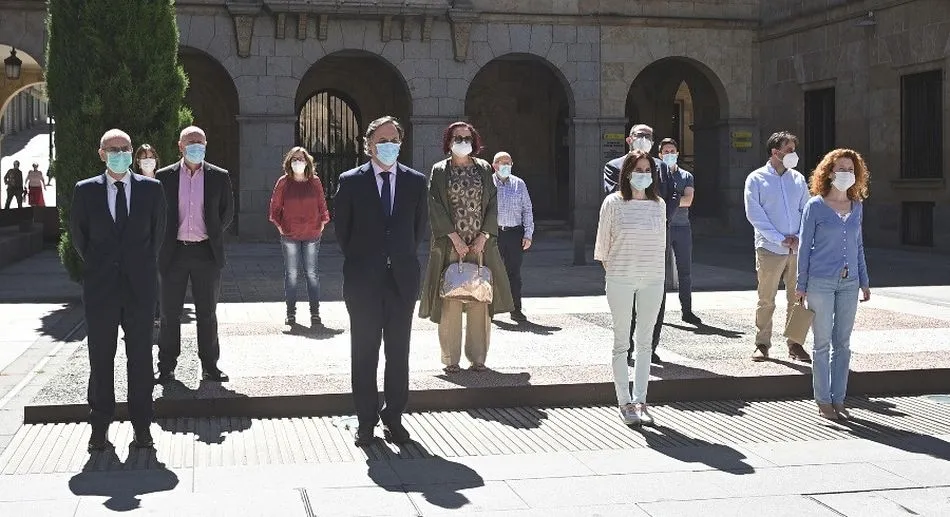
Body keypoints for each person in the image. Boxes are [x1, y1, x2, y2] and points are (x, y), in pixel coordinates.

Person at [69, 129, 166, 451]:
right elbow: (80, 238)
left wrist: (138, 265)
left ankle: (142, 426)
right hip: (101, 290)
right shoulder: (85, 191)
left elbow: (157, 236)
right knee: (101, 358)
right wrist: (101, 265)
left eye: (125, 148)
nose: (119, 154)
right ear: (101, 154)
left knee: (140, 358)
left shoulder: (151, 189)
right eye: (113, 149)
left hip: (140, 288)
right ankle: (100, 427)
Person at [334, 116, 428, 446]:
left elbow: (418, 229)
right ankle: (365, 420)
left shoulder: (415, 181)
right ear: (369, 144)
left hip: (401, 279)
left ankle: (394, 416)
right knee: (364, 353)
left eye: (394, 140)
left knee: (398, 353)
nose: (388, 146)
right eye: (382, 140)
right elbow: (342, 231)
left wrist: (396, 256)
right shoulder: (350, 181)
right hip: (363, 281)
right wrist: (367, 258)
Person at [419, 121, 514, 374]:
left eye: (467, 138)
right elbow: (435, 205)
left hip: (480, 246)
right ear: (449, 142)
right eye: (458, 138)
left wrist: (484, 236)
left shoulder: (482, 168)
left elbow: (492, 203)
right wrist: (455, 239)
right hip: (451, 245)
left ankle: (478, 357)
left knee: (479, 298)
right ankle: (451, 359)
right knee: (450, 298)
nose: (463, 142)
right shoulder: (440, 170)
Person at [796, 149, 871, 420]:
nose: (846, 174)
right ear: (829, 173)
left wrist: (864, 280)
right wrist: (801, 284)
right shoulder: (815, 206)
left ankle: (839, 398)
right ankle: (823, 399)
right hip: (820, 281)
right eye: (841, 169)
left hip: (849, 282)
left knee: (843, 343)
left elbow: (858, 246)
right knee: (822, 343)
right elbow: (804, 247)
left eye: (851, 170)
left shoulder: (856, 206)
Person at [156, 126, 234, 384]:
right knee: (169, 314)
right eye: (190, 141)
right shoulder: (164, 176)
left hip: (206, 252)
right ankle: (166, 366)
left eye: (200, 141)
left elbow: (227, 212)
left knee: (207, 313)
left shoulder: (219, 176)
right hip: (174, 252)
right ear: (180, 146)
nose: (196, 146)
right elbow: (158, 213)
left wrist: (212, 232)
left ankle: (210, 366)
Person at [595, 149, 666, 426]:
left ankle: (641, 401)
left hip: (652, 280)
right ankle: (624, 402)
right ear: (626, 173)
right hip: (621, 279)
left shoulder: (658, 205)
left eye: (648, 171)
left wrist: (655, 274)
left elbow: (661, 245)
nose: (643, 175)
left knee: (645, 343)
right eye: (638, 170)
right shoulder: (613, 203)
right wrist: (618, 272)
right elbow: (603, 247)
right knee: (621, 343)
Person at [604, 124, 677, 366]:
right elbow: (613, 194)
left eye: (648, 136)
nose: (644, 139)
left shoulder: (661, 167)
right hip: (626, 242)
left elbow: (672, 195)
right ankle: (627, 347)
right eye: (640, 135)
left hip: (654, 240)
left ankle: (650, 346)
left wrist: (660, 218)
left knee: (656, 295)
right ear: (629, 139)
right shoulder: (614, 166)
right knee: (627, 299)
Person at [744, 131, 811, 363]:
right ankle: (762, 344)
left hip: (797, 250)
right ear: (775, 152)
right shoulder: (756, 179)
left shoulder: (798, 179)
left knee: (798, 298)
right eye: (789, 150)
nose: (794, 154)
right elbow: (755, 214)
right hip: (770, 249)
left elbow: (806, 210)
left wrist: (799, 237)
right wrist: (779, 238)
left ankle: (796, 344)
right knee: (766, 299)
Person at [268, 146, 330, 326]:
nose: (298, 162)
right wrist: (280, 227)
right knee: (292, 275)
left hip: (312, 234)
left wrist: (322, 223)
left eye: (301, 159)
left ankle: (315, 313)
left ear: (307, 162)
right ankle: (290, 313)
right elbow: (275, 207)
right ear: (289, 162)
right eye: (294, 159)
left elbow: (322, 204)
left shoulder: (314, 181)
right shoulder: (283, 182)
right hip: (290, 234)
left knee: (312, 274)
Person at [658, 138, 701, 325]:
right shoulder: (656, 175)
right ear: (660, 155)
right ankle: (657, 312)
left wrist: (667, 202)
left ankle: (687, 311)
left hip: (682, 227)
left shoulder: (686, 176)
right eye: (665, 152)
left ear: (677, 153)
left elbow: (688, 200)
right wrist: (676, 200)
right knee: (659, 272)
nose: (669, 154)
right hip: (662, 228)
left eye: (672, 151)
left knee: (685, 271)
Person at [491, 151, 534, 322]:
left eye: (508, 163)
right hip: (493, 234)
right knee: (491, 272)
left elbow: (527, 209)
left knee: (514, 273)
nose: (506, 166)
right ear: (494, 165)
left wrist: (528, 234)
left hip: (514, 234)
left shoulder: (519, 184)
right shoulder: (487, 183)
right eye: (502, 163)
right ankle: (489, 309)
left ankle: (516, 309)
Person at [134, 144, 162, 326]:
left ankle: (157, 314)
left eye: (151, 157)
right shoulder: (132, 183)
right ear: (137, 161)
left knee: (158, 279)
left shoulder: (163, 180)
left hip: (160, 238)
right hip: (138, 240)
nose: (148, 161)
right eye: (144, 158)